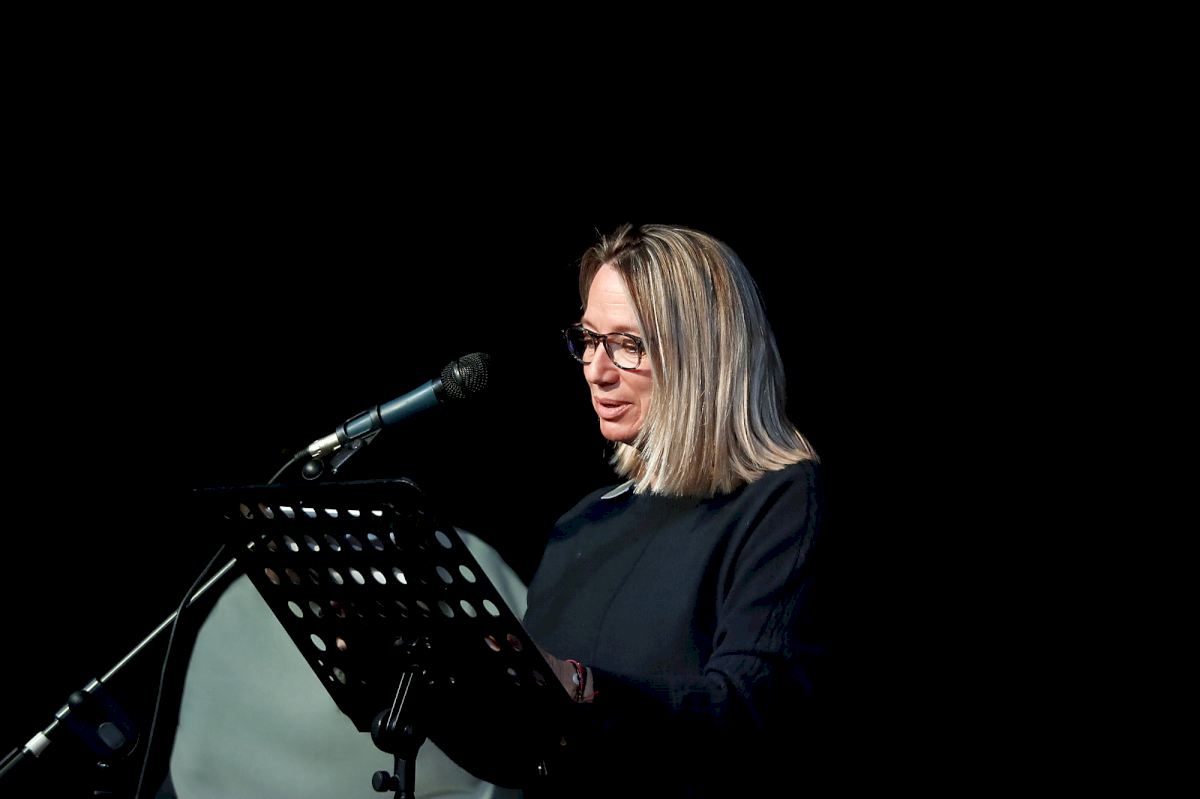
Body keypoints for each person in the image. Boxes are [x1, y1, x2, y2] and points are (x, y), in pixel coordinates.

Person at [516, 223, 826, 796]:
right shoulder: (581, 525)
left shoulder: (781, 502)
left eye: (627, 344)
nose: (596, 369)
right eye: (589, 338)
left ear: (705, 354)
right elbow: (518, 750)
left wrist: (578, 685)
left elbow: (750, 710)